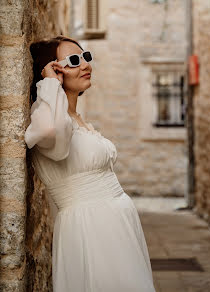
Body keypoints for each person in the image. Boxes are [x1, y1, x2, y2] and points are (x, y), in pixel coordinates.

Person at [24, 35, 156, 292]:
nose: (85, 64)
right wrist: (49, 85)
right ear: (54, 69)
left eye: (86, 57)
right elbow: (51, 132)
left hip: (118, 222)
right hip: (90, 226)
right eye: (73, 61)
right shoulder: (47, 116)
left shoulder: (78, 119)